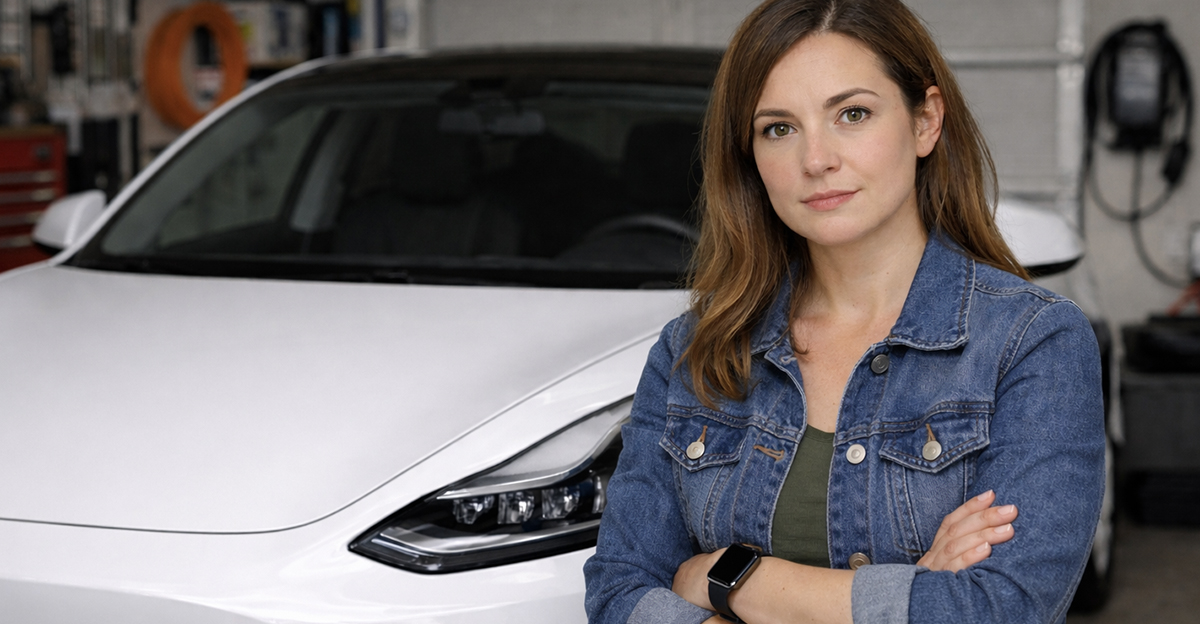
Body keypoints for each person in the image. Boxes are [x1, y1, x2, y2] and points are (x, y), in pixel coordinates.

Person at [583, 0, 1105, 623]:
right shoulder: (695, 350)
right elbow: (619, 592)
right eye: (779, 128)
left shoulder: (1032, 342)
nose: (816, 160)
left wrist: (729, 578)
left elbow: (1002, 610)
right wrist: (908, 592)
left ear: (926, 121)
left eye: (852, 114)